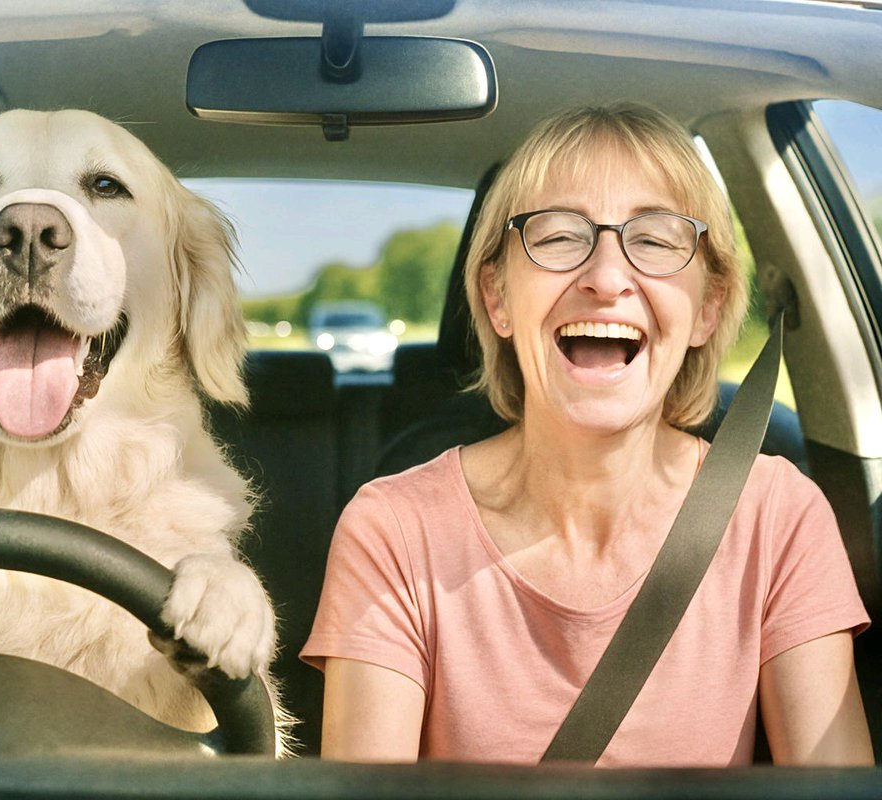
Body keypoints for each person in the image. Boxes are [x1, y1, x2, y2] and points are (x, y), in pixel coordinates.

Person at [299, 103, 873, 767]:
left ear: (708, 308)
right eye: (558, 237)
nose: (604, 278)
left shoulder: (779, 520)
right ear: (497, 298)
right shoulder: (394, 531)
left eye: (655, 240)